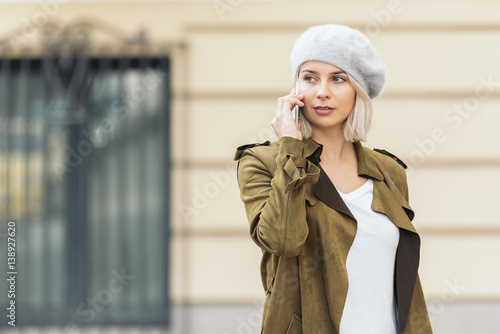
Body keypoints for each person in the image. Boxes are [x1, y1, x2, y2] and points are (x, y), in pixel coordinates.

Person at [233, 24, 433, 334]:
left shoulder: (388, 171)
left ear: (358, 91)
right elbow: (283, 241)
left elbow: (404, 281)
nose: (322, 91)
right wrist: (292, 152)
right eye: (309, 77)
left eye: (338, 79)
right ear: (296, 88)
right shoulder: (263, 163)